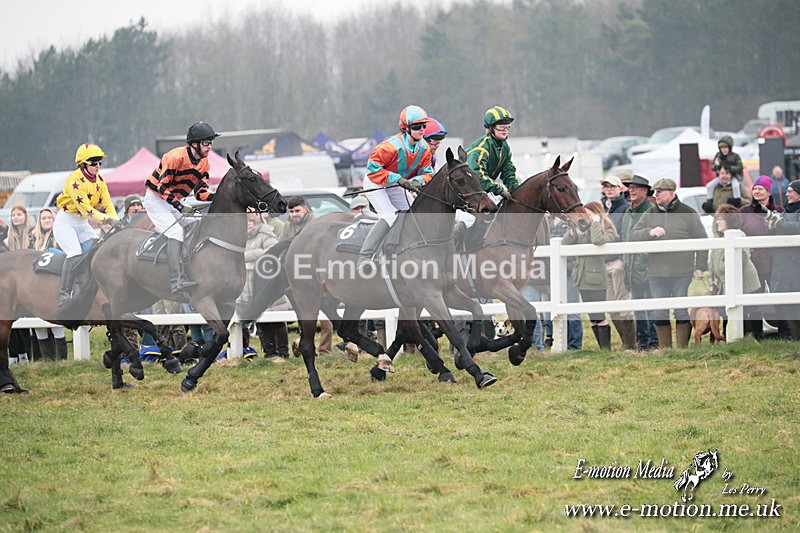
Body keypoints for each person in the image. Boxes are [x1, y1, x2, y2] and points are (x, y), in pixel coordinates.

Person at [630, 178, 708, 348]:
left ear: (671, 193)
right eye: (655, 192)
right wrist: (650, 232)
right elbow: (633, 234)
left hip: (682, 272)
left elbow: (702, 240)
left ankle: (681, 349)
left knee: (680, 310)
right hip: (656, 272)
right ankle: (666, 349)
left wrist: (700, 266)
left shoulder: (688, 213)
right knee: (660, 310)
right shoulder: (649, 214)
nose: (656, 195)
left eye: (660, 192)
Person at [143, 121, 219, 296]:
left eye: (211, 143)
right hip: (156, 199)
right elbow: (162, 188)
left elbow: (201, 194)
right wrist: (179, 206)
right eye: (206, 143)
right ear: (194, 144)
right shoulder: (175, 157)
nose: (210, 147)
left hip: (175, 201)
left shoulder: (205, 163)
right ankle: (176, 281)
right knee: (176, 232)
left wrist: (218, 197)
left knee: (197, 223)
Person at [358, 105, 434, 267]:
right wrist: (397, 179)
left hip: (395, 184)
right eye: (416, 127)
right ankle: (365, 257)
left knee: (415, 214)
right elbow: (372, 169)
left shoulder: (425, 148)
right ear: (406, 128)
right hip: (375, 181)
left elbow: (428, 173)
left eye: (423, 126)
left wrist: (417, 181)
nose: (422, 130)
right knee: (389, 216)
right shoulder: (389, 147)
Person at [53, 143, 118, 305]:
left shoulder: (100, 181)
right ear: (83, 164)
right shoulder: (74, 180)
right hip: (66, 222)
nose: (98, 166)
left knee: (98, 248)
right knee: (74, 253)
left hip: (82, 223)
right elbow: (86, 210)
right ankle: (64, 294)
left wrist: (115, 220)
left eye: (99, 163)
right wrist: (106, 220)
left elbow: (108, 204)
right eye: (94, 163)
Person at [279, 196, 333, 354]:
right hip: (299, 273)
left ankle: (325, 349)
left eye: (297, 210)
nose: (294, 214)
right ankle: (306, 343)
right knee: (304, 311)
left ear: (306, 209)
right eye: (291, 211)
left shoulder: (315, 223)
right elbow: (282, 248)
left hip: (319, 273)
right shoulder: (287, 227)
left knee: (326, 315)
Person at [563, 201, 617, 349]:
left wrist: (595, 222)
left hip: (596, 277)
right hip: (581, 277)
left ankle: (605, 349)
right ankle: (602, 348)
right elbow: (564, 245)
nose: (585, 216)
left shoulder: (607, 229)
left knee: (599, 314)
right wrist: (573, 231)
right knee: (592, 316)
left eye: (588, 213)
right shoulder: (583, 229)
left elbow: (597, 241)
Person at [239, 212, 289, 360]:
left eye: (250, 221)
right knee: (260, 320)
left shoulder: (266, 233)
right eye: (245, 221)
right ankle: (269, 353)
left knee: (277, 321)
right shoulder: (240, 238)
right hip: (248, 284)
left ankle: (283, 353)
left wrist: (247, 256)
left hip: (267, 281)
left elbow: (272, 251)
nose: (248, 224)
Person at [739, 175, 784, 339]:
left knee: (778, 296)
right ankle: (757, 334)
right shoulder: (744, 211)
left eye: (760, 188)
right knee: (754, 298)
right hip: (754, 262)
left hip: (775, 261)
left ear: (768, 191)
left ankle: (784, 332)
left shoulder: (778, 210)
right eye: (755, 188)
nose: (756, 191)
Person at [707, 205, 761, 338]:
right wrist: (713, 282)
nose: (717, 222)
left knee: (752, 312)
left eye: (721, 219)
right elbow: (713, 262)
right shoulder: (718, 238)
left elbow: (741, 258)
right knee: (728, 313)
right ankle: (729, 338)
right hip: (724, 284)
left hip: (746, 283)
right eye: (717, 219)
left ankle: (758, 339)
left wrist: (722, 271)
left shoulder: (738, 236)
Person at [620, 174, 659, 350]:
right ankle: (642, 340)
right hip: (631, 265)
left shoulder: (651, 210)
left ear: (645, 190)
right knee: (637, 305)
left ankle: (653, 339)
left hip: (648, 265)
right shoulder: (628, 213)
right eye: (630, 187)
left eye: (636, 188)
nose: (632, 190)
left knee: (650, 305)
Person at [599, 174, 636, 349]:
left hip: (618, 261)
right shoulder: (603, 208)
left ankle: (630, 344)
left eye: (612, 186)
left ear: (620, 188)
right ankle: (624, 342)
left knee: (623, 302)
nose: (609, 189)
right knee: (611, 304)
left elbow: (624, 234)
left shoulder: (625, 209)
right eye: (606, 187)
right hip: (604, 261)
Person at [28, 208, 68, 360]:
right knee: (39, 320)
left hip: (54, 280)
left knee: (54, 319)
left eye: (49, 218)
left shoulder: (60, 236)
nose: (46, 220)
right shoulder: (33, 239)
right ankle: (47, 358)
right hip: (37, 283)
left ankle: (62, 358)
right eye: (43, 218)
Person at [766, 179, 800, 340]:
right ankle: (794, 338)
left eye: (790, 191)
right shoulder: (787, 211)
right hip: (783, 266)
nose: (787, 194)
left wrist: (778, 224)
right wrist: (772, 226)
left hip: (795, 265)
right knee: (788, 303)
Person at [466, 106, 517, 200]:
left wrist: (516, 190)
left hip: (482, 190)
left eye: (508, 126)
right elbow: (477, 176)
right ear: (491, 128)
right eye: (501, 127)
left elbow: (508, 171)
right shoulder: (481, 149)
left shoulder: (505, 148)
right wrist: (499, 190)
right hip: (465, 192)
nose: (505, 130)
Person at [7, 206, 35, 364]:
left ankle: (28, 355)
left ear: (25, 216)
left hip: (29, 277)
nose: (15, 218)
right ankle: (15, 354)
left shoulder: (31, 235)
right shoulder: (9, 239)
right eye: (13, 215)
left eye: (18, 214)